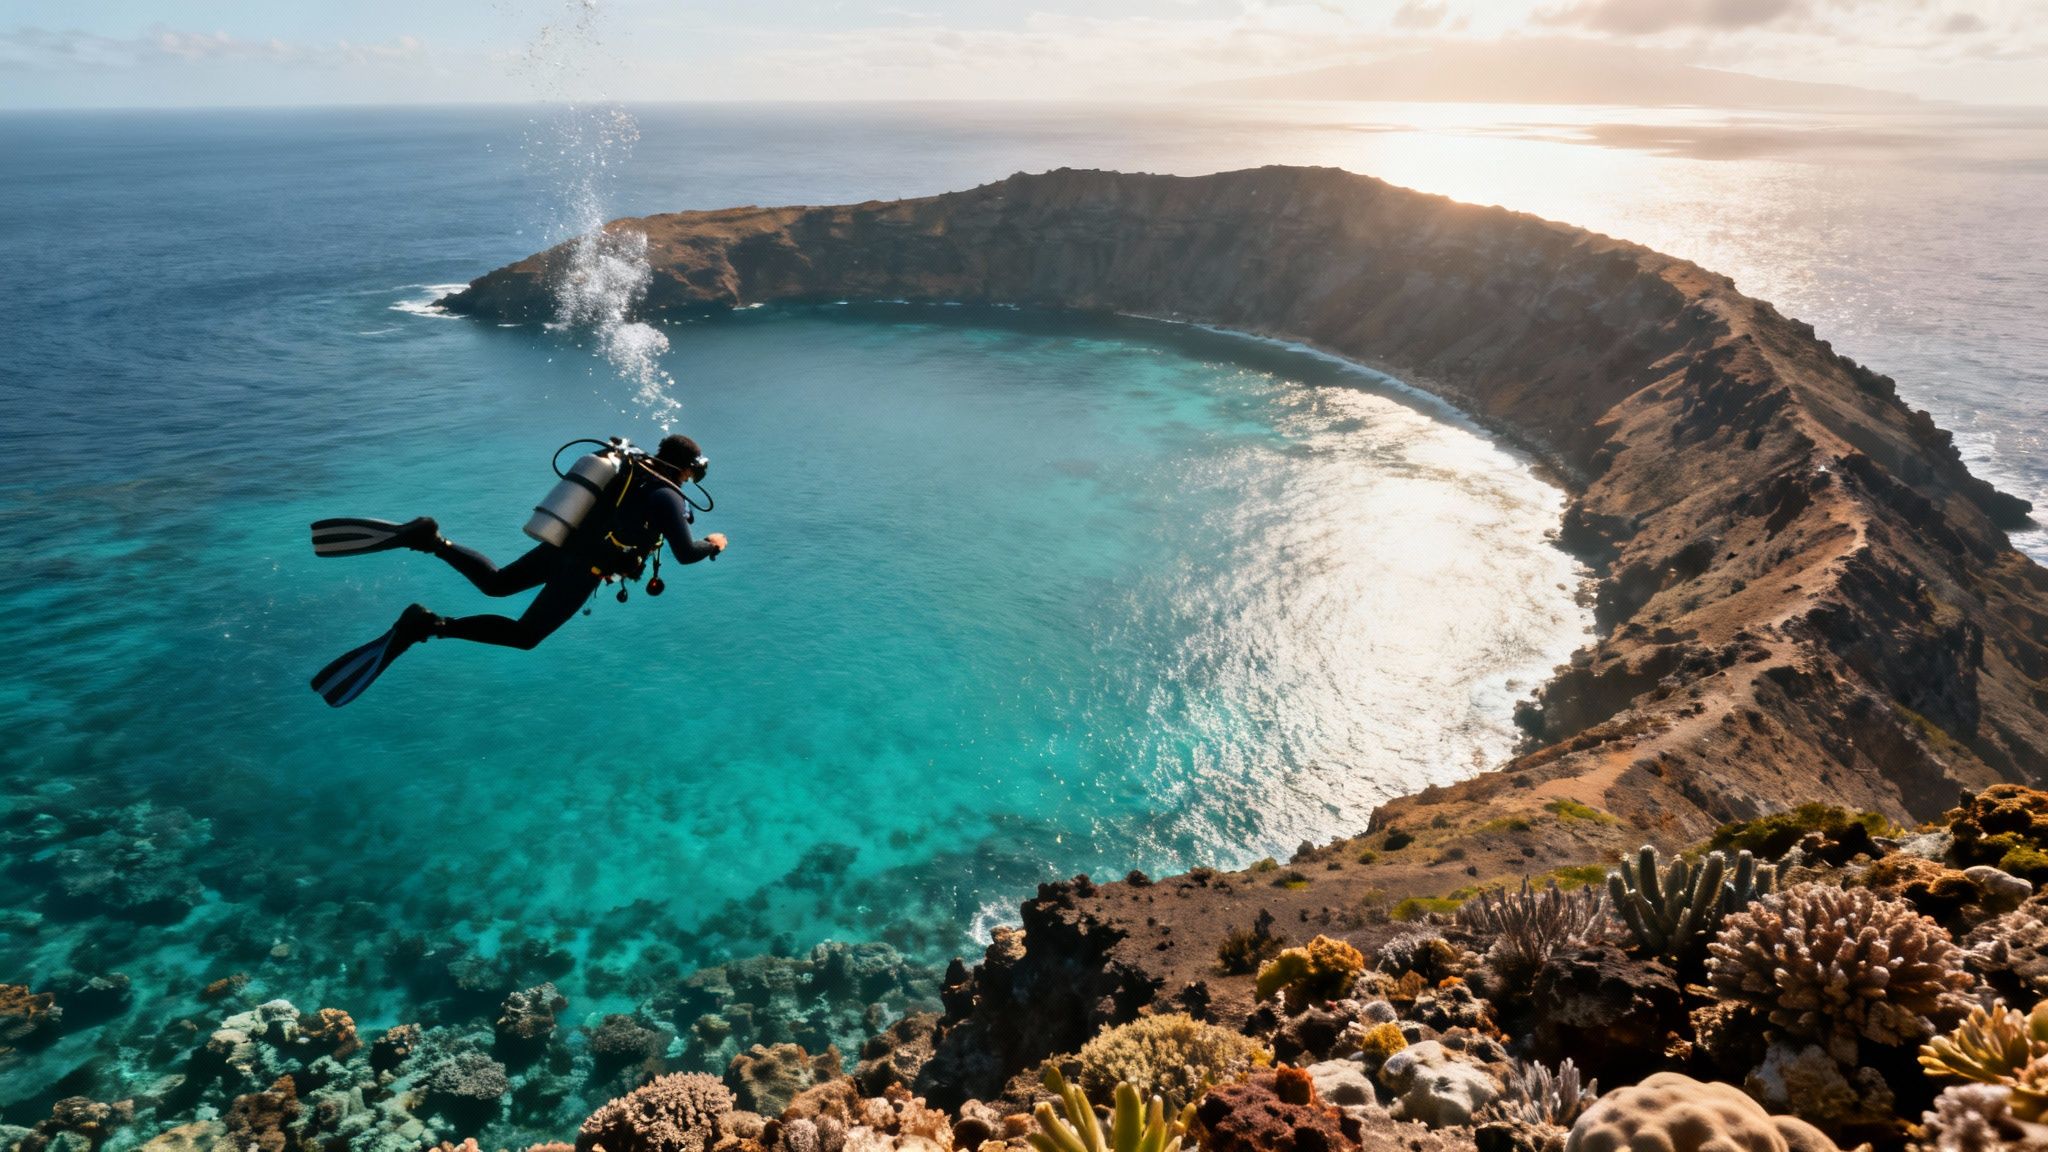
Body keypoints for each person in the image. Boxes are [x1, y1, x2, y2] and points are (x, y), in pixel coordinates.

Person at [308, 434, 727, 706]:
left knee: (496, 584)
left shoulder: (629, 472)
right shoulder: (667, 497)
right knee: (526, 636)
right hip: (586, 568)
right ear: (690, 468)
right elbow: (686, 553)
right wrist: (713, 544)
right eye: (695, 471)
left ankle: (431, 540)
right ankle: (427, 626)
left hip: (564, 546)